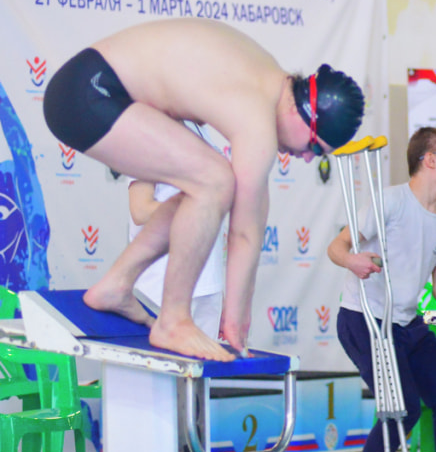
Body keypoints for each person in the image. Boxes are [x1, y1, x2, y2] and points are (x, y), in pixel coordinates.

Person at [42, 18, 363, 361]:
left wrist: (235, 324)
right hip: (89, 91)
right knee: (214, 181)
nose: (306, 158)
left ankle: (116, 285)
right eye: (314, 148)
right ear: (303, 113)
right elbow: (242, 235)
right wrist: (234, 324)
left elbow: (252, 224)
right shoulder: (256, 113)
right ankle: (174, 321)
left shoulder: (266, 82)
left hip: (88, 87)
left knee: (205, 184)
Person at [328, 127, 436, 452]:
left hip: (408, 325)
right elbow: (336, 247)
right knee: (403, 408)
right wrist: (353, 261)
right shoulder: (390, 202)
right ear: (431, 160)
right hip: (366, 321)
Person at [126, 121, 225, 339]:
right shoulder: (148, 129)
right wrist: (194, 206)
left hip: (208, 285)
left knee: (200, 372)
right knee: (161, 371)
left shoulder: (201, 129)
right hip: (161, 287)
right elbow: (140, 210)